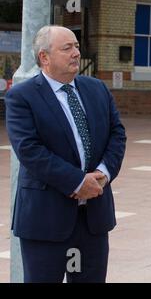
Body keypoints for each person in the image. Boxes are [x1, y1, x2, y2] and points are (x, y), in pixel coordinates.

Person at [5, 25, 126, 283]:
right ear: (44, 57)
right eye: (67, 48)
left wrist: (103, 175)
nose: (76, 53)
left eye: (77, 47)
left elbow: (117, 135)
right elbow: (30, 150)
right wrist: (77, 182)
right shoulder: (21, 97)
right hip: (45, 219)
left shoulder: (97, 90)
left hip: (93, 217)